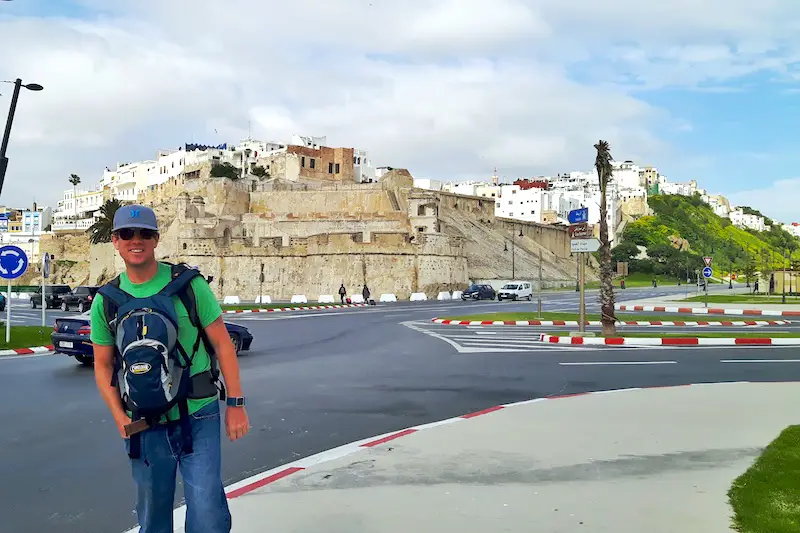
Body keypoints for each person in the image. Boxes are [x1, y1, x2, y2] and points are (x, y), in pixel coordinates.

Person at [90, 204, 250, 533]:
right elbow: (103, 364)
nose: (137, 240)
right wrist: (119, 417)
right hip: (144, 422)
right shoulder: (106, 301)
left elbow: (222, 343)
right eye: (127, 234)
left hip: (198, 414)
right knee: (152, 515)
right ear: (115, 241)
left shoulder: (189, 286)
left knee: (207, 512)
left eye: (145, 233)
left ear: (156, 239)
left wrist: (235, 403)